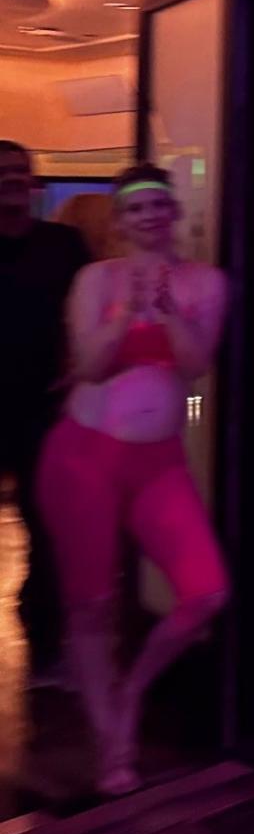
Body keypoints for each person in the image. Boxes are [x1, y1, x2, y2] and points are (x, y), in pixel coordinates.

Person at [36, 163, 229, 795]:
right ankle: (110, 738)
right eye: (136, 209)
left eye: (158, 206)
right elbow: (89, 367)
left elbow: (197, 366)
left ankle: (133, 687)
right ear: (120, 221)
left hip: (157, 461)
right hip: (83, 457)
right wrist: (125, 312)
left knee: (206, 591)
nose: (150, 217)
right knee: (89, 606)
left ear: (174, 213)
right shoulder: (95, 279)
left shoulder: (206, 282)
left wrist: (168, 308)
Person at [0, 143, 89, 685]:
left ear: (33, 183)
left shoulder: (63, 244)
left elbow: (93, 309)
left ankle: (46, 649)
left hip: (43, 408)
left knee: (46, 525)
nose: (12, 180)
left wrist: (79, 362)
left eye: (19, 173)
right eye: (2, 173)